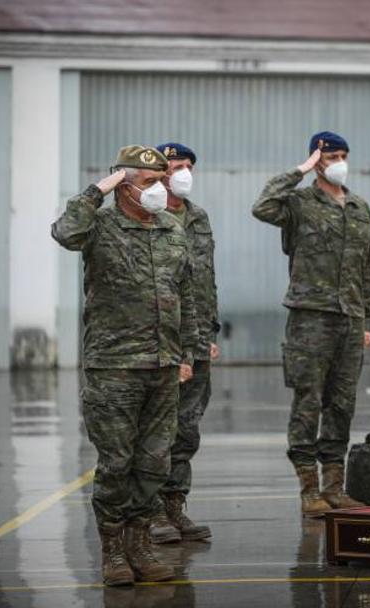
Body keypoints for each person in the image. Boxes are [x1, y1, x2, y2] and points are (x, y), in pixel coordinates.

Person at [51, 145, 198, 585]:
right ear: (125, 185)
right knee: (117, 462)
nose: (158, 190)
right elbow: (64, 233)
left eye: (160, 181)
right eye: (148, 182)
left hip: (164, 364)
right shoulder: (98, 225)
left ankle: (140, 544)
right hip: (113, 366)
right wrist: (97, 190)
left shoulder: (172, 229)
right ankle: (112, 551)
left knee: (153, 463)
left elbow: (185, 296)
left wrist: (186, 354)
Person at [252, 131, 370, 518]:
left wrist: (367, 318)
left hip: (350, 320)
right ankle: (309, 490)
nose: (337, 161)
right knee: (309, 403)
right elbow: (262, 206)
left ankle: (334, 488)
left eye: (342, 154)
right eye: (329, 156)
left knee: (342, 404)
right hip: (310, 318)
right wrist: (299, 171)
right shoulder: (299, 203)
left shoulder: (359, 207)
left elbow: (366, 268)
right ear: (315, 161)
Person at [147, 142, 218, 544]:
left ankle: (175, 508)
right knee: (159, 430)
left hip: (197, 336)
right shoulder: (147, 215)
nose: (184, 171)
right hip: (159, 341)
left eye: (189, 165)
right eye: (177, 165)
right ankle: (152, 512)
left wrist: (209, 332)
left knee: (187, 430)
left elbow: (206, 279)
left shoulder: (198, 217)